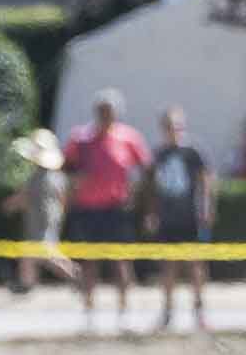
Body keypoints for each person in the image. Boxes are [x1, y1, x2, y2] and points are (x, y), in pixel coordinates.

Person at [62, 91, 151, 327]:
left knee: (121, 261)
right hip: (87, 209)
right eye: (101, 111)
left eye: (109, 112)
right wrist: (75, 180)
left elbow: (146, 171)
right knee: (89, 263)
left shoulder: (129, 138)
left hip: (116, 210)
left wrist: (138, 197)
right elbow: (65, 168)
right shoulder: (80, 139)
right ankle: (89, 313)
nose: (105, 116)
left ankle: (124, 313)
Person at [146, 102, 217, 333]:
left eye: (177, 126)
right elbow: (153, 188)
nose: (173, 130)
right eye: (169, 126)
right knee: (168, 268)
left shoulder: (193, 152)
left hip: (190, 218)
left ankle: (199, 312)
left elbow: (206, 181)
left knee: (196, 266)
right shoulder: (159, 154)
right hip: (168, 219)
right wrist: (152, 213)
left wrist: (206, 208)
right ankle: (167, 312)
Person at [5, 123, 64, 294]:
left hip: (39, 221)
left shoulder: (38, 177)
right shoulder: (56, 177)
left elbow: (25, 197)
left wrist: (10, 205)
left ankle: (75, 276)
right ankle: (26, 283)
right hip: (49, 219)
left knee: (48, 255)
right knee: (30, 254)